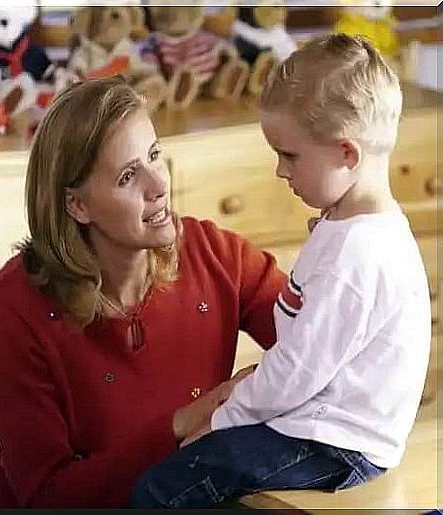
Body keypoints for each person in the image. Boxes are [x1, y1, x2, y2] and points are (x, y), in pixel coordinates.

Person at [130, 34, 432, 508]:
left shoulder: (356, 255)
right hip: (320, 420)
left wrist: (223, 417)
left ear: (347, 155)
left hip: (336, 441)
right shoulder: (349, 227)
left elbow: (296, 371)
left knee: (162, 487)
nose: (279, 171)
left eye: (290, 155)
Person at [0, 75, 287, 508]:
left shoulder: (214, 254)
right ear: (77, 205)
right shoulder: (17, 306)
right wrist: (179, 425)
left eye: (154, 155)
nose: (159, 184)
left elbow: (318, 345)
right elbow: (47, 496)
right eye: (128, 175)